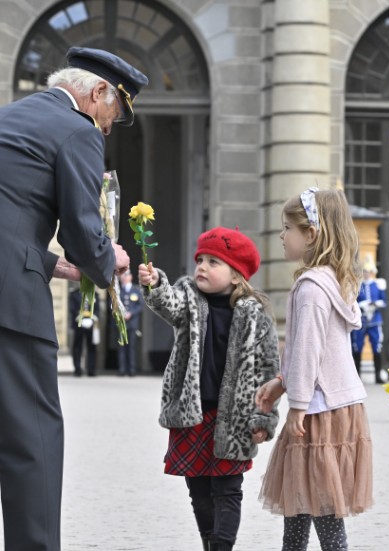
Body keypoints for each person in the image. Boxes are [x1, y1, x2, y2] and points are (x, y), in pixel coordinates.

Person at [0, 47, 144, 551]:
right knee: (33, 436)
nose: (108, 127)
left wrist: (48, 261)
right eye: (114, 115)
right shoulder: (77, 129)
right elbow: (84, 231)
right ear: (98, 92)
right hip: (5, 296)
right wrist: (110, 263)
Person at [138, 226, 280, 551]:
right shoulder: (189, 298)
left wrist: (264, 418)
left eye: (214, 262)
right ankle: (210, 543)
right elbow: (167, 303)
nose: (201, 266)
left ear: (236, 275)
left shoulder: (256, 316)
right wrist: (155, 283)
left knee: (228, 489)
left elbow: (269, 370)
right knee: (199, 491)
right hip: (194, 413)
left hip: (235, 417)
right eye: (200, 259)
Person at [256, 188, 374, 551]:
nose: (281, 235)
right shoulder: (336, 281)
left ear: (311, 235)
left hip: (317, 411)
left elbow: (307, 351)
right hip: (340, 404)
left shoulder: (310, 288)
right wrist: (281, 382)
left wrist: (298, 403)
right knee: (303, 499)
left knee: (319, 504)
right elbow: (318, 351)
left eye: (288, 227)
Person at [351, 262, 386, 383]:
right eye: (364, 271)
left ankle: (377, 375)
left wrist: (375, 304)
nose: (366, 274)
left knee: (377, 347)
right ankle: (357, 377)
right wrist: (363, 305)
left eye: (368, 272)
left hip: (375, 320)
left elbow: (383, 300)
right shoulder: (357, 286)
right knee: (357, 347)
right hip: (361, 320)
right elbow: (352, 301)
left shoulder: (377, 285)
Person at [68, 287, 99, 377]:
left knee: (92, 347)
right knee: (77, 347)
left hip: (91, 324)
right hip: (79, 323)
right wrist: (79, 317)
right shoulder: (74, 294)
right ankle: (77, 369)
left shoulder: (95, 294)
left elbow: (97, 309)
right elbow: (72, 309)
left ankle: (91, 370)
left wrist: (93, 318)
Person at [117, 270, 143, 376]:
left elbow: (140, 305)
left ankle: (131, 369)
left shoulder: (136, 290)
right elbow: (113, 304)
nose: (124, 277)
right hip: (121, 323)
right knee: (121, 347)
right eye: (122, 275)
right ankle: (122, 369)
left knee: (131, 346)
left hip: (132, 323)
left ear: (131, 277)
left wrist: (131, 313)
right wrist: (120, 314)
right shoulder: (118, 290)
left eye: (126, 274)